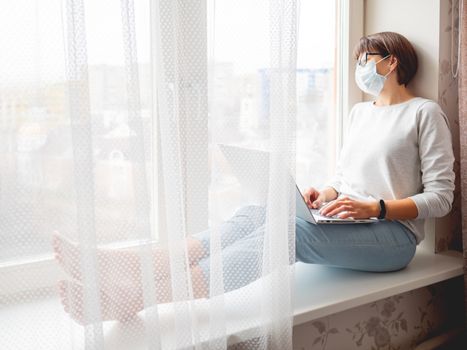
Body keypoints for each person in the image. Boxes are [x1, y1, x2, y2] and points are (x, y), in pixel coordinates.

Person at [53, 31, 455, 325]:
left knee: (286, 234)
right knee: (256, 213)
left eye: (365, 59)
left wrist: (377, 207)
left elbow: (441, 197)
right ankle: (139, 261)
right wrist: (325, 192)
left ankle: (140, 295)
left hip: (393, 237)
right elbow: (346, 177)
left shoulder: (423, 113)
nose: (359, 68)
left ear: (391, 62)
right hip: (351, 221)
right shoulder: (360, 113)